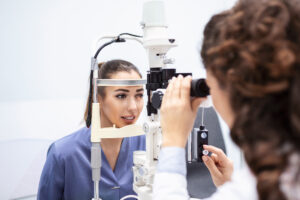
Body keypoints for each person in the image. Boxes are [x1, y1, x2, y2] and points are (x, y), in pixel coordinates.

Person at [154, 0, 300, 200]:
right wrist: (232, 185)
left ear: (231, 86)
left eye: (209, 86)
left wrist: (173, 142)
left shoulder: (260, 186)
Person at [38, 59, 145, 200]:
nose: (133, 107)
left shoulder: (148, 145)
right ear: (98, 97)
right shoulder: (63, 154)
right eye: (121, 96)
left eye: (139, 95)